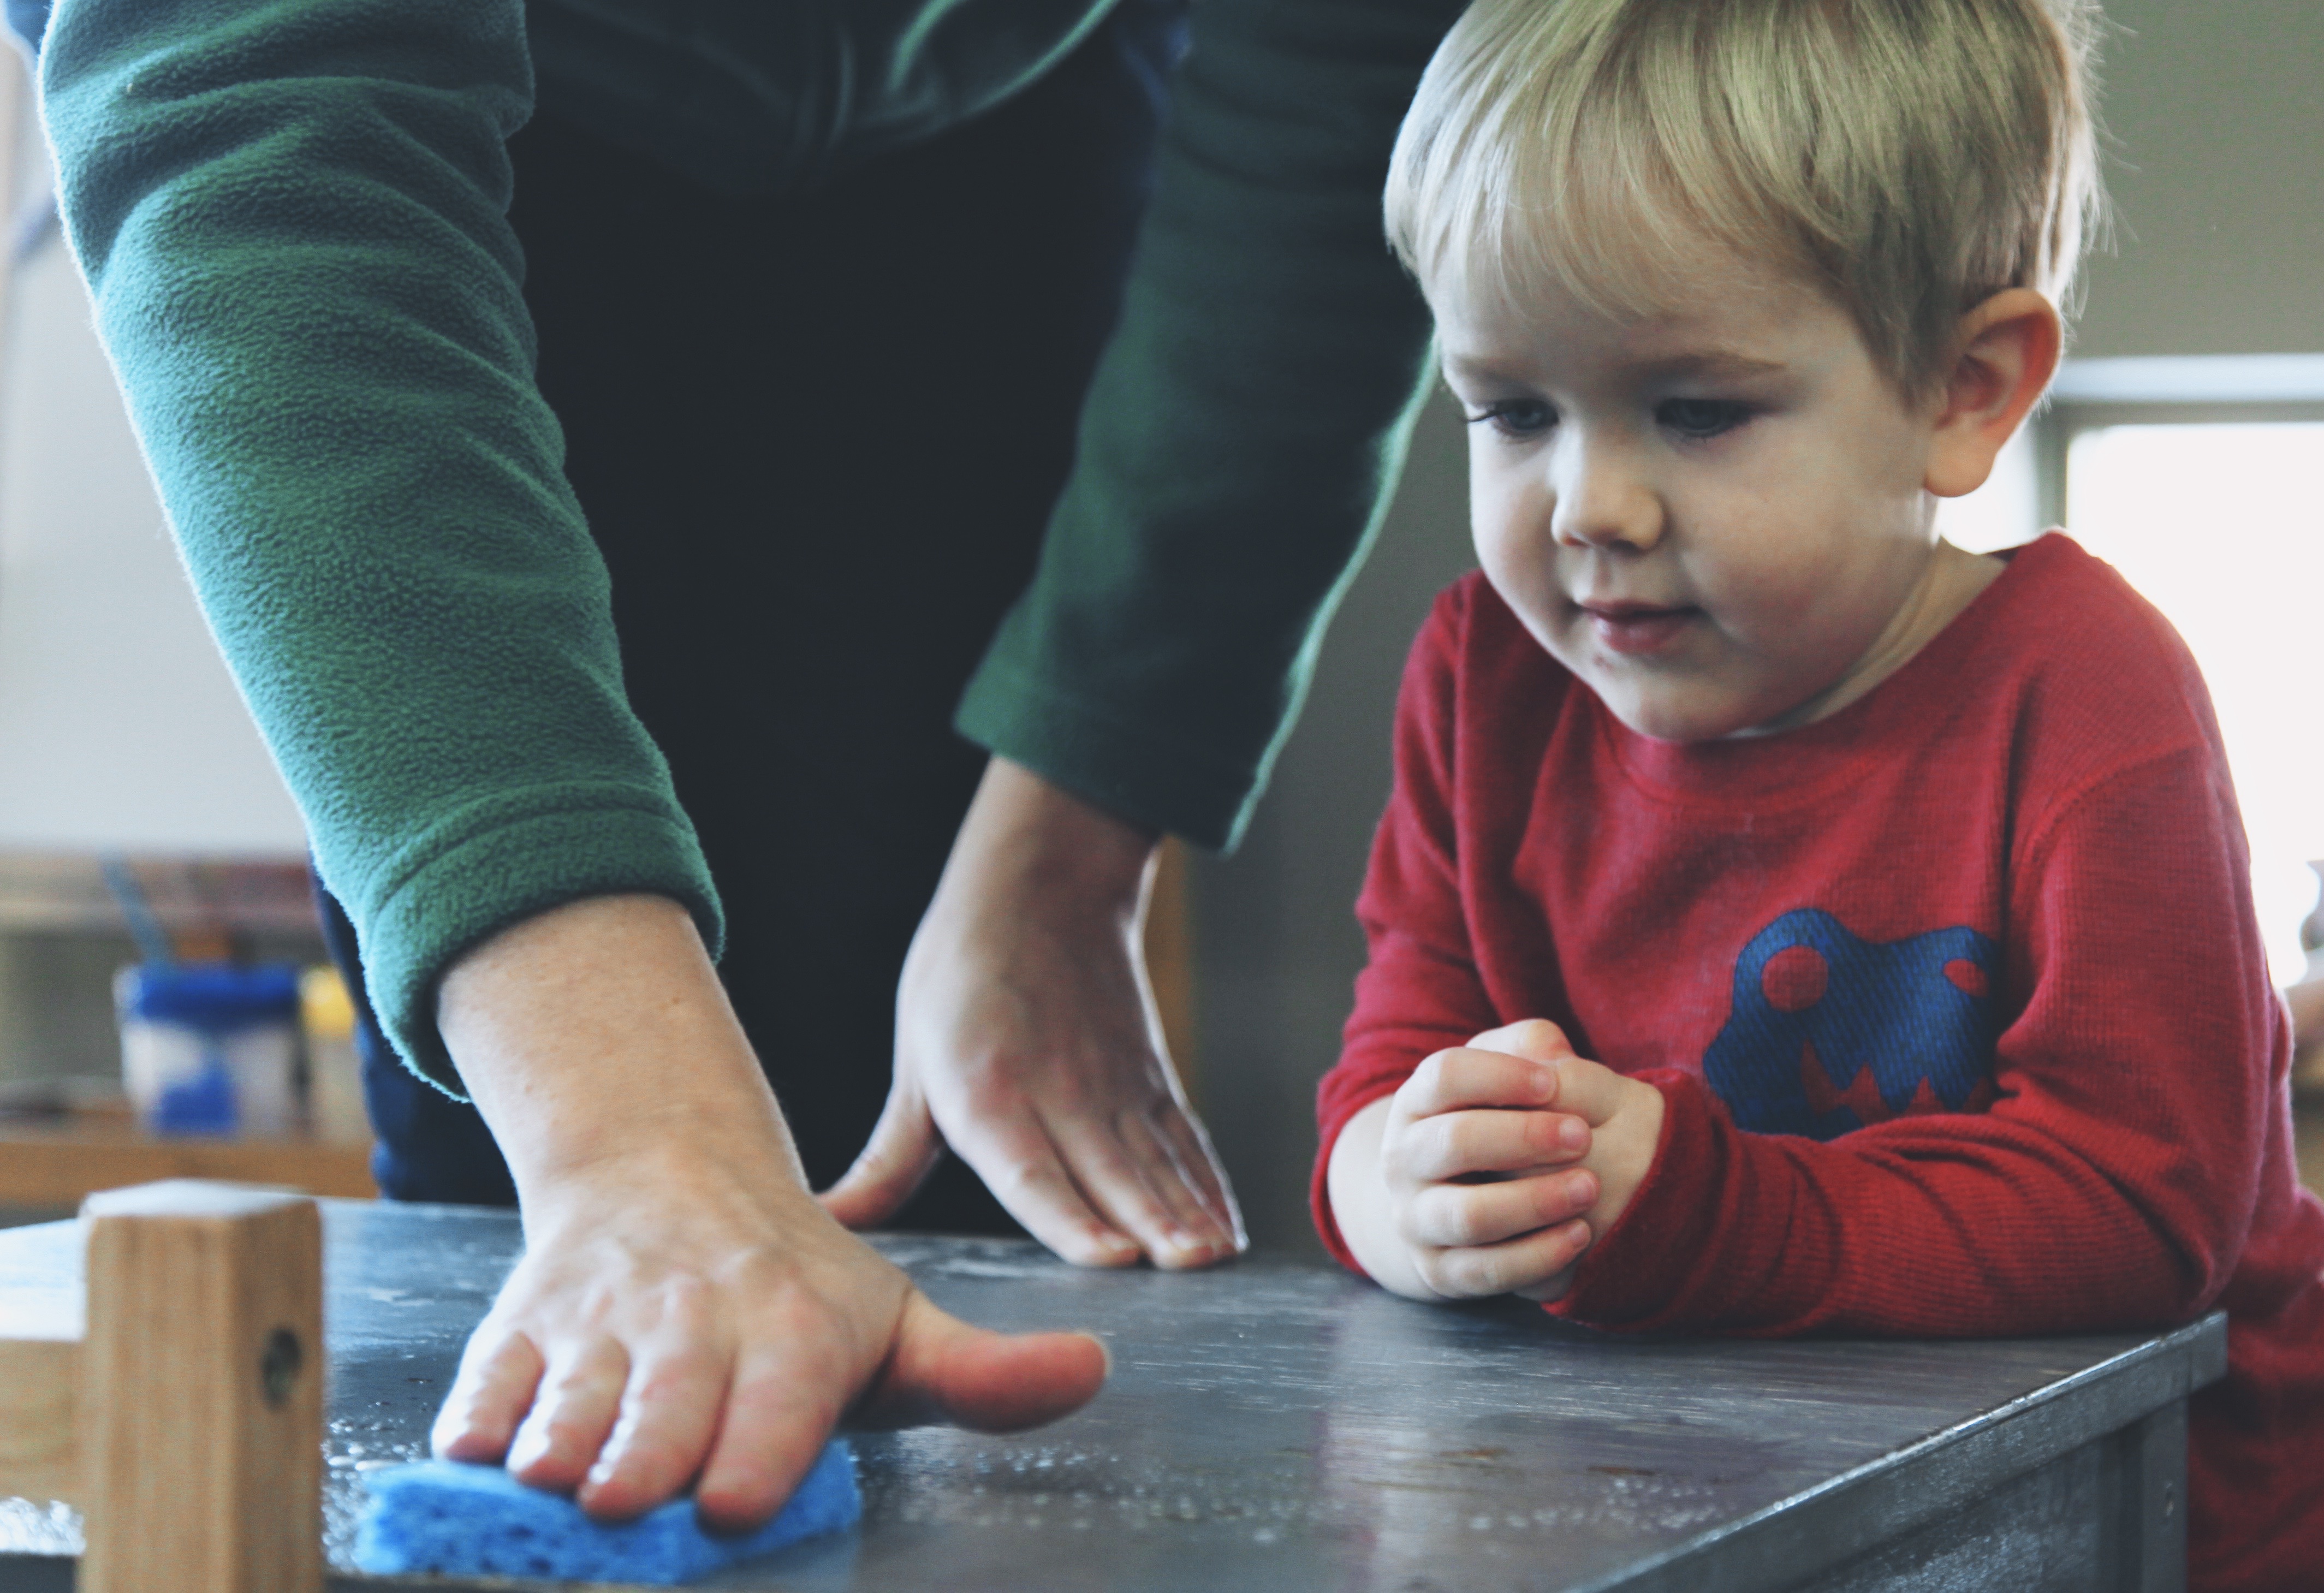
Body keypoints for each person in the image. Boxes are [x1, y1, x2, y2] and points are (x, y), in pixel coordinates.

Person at [14, 0, 1472, 1530]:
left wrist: (1067, 846)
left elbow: (1338, 71)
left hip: (1015, 92)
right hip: (481, 111)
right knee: (549, 1219)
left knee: (925, 1208)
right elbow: (270, 121)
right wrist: (625, 1149)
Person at [1310, 2, 2324, 1588]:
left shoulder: (2087, 690)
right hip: (1702, 1509)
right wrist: (1403, 1193)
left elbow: (2142, 1210)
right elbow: (1388, 1066)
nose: (1589, 506)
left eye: (1697, 412)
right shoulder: (1480, 685)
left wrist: (1695, 1216)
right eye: (1513, 411)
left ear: (1962, 391)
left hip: (2162, 1535)